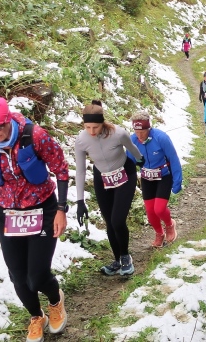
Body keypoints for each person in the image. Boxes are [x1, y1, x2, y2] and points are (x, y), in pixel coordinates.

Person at [0, 95, 70, 342]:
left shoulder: (35, 136)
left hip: (42, 208)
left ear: (8, 120)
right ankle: (36, 316)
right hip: (8, 213)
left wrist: (61, 209)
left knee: (36, 275)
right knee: (17, 274)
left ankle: (55, 300)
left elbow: (60, 169)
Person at [74, 100, 143, 277]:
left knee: (117, 220)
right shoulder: (81, 140)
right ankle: (117, 259)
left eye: (95, 127)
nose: (91, 131)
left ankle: (126, 257)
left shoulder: (118, 133)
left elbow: (132, 148)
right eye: (87, 127)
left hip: (124, 173)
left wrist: (140, 159)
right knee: (109, 222)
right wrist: (80, 201)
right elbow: (80, 171)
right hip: (102, 178)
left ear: (102, 123)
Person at [127, 111, 181, 248]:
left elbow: (173, 158)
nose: (139, 136)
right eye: (136, 132)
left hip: (163, 176)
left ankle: (170, 225)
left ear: (148, 128)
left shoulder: (161, 137)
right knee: (150, 212)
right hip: (146, 177)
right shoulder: (132, 140)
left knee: (159, 209)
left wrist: (177, 181)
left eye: (142, 132)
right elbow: (129, 162)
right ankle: (159, 233)